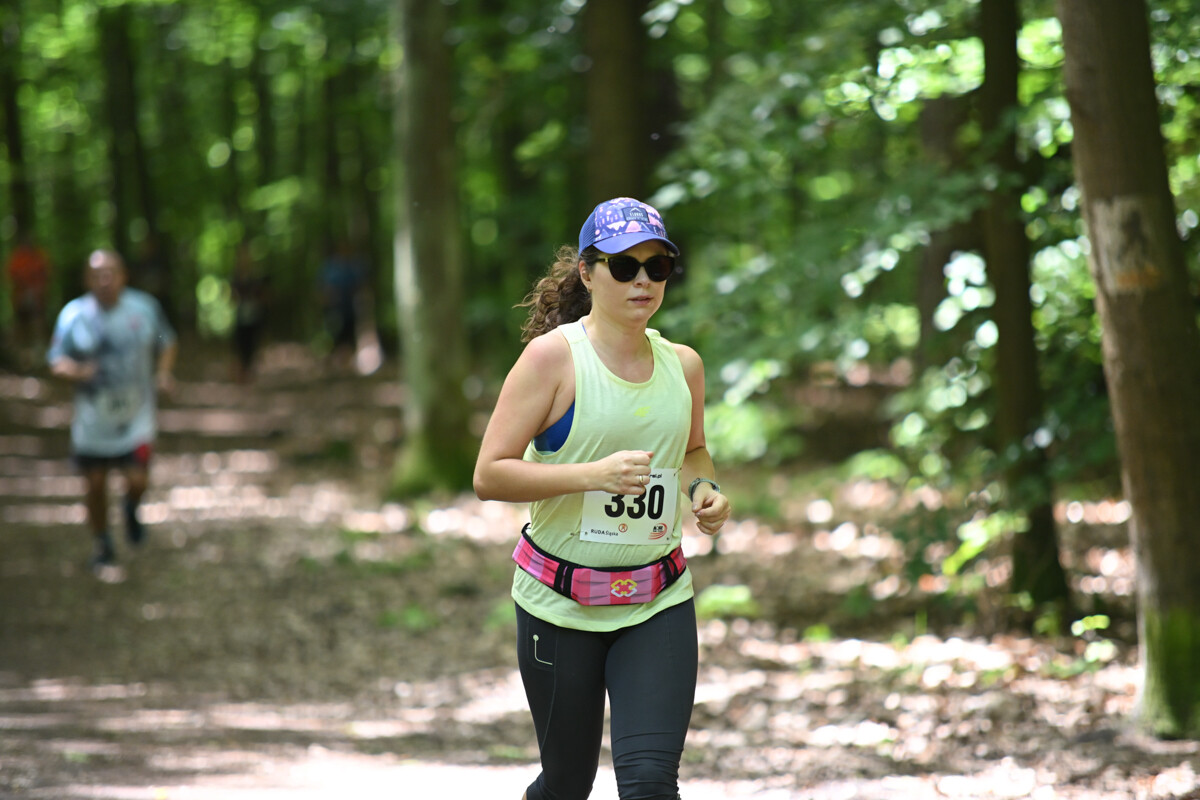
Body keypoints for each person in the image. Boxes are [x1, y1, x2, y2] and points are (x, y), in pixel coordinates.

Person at [473, 197, 732, 800]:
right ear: (588, 274)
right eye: (624, 266)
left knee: (648, 784)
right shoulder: (553, 359)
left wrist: (706, 492)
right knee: (567, 784)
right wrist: (591, 475)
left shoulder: (684, 365)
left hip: (657, 599)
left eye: (657, 266)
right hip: (560, 603)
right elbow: (490, 474)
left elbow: (693, 451)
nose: (642, 279)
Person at [47, 249, 178, 571]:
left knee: (137, 479)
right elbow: (56, 361)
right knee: (94, 484)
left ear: (123, 275)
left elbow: (166, 338)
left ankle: (131, 507)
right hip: (93, 420)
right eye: (97, 274)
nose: (104, 280)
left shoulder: (145, 309)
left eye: (111, 273)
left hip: (137, 417)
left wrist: (163, 372)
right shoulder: (73, 316)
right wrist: (78, 372)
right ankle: (102, 542)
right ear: (87, 279)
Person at [5, 233, 51, 362]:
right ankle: (20, 356)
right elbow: (10, 275)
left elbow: (46, 274)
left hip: (36, 298)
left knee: (37, 324)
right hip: (20, 297)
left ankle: (39, 355)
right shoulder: (17, 258)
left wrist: (37, 290)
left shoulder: (39, 257)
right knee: (21, 326)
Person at [231, 242, 269, 384]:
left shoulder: (256, 276)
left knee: (252, 344)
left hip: (254, 316)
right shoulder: (235, 276)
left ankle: (249, 374)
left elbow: (264, 296)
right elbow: (232, 297)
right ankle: (242, 375)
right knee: (240, 345)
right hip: (241, 316)